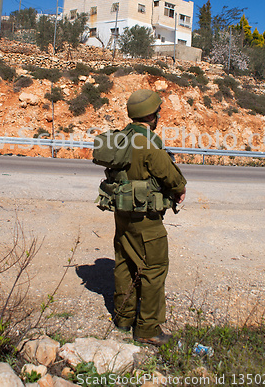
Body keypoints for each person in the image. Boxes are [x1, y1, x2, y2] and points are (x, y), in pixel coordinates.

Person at [113, 89, 187, 346]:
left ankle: (123, 319)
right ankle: (147, 330)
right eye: (157, 112)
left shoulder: (120, 138)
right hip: (145, 217)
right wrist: (180, 189)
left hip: (122, 212)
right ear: (151, 115)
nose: (158, 115)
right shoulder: (147, 144)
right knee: (154, 269)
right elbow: (173, 177)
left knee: (125, 263)